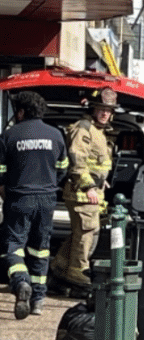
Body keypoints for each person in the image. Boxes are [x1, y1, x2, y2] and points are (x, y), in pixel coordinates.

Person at [0, 91, 69, 319]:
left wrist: (6, 188)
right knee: (40, 249)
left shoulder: (9, 136)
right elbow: (64, 168)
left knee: (12, 247)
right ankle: (38, 299)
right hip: (47, 199)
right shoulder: (56, 135)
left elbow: (0, 173)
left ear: (20, 112)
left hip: (18, 198)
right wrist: (50, 184)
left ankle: (21, 283)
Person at [53, 88, 118, 290]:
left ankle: (60, 266)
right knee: (87, 232)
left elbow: (95, 164)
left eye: (108, 109)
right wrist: (89, 186)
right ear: (93, 108)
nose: (105, 113)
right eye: (101, 109)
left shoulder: (98, 132)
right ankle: (77, 271)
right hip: (82, 192)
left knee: (81, 231)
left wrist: (100, 182)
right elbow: (77, 160)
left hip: (92, 191)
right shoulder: (83, 129)